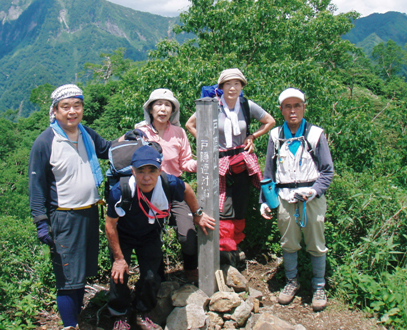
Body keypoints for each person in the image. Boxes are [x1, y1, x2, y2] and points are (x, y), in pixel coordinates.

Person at [29, 84, 113, 330]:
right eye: (65, 107)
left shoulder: (85, 133)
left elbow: (107, 149)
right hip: (64, 217)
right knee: (67, 278)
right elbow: (36, 185)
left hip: (88, 213)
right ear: (54, 111)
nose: (72, 111)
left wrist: (132, 141)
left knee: (81, 273)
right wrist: (40, 222)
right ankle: (69, 324)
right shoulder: (45, 142)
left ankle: (75, 320)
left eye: (77, 105)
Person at [105, 146, 215, 330]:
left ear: (160, 170)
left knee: (151, 277)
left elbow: (186, 189)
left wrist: (197, 214)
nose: (146, 177)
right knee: (119, 276)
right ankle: (120, 315)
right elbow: (110, 225)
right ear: (133, 171)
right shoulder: (120, 191)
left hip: (149, 234)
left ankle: (142, 311)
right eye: (140, 171)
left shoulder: (168, 183)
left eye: (152, 171)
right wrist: (118, 258)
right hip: (123, 235)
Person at [186, 68, 275, 261]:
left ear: (242, 86)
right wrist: (206, 144)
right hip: (219, 161)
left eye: (236, 84)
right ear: (221, 87)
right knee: (222, 206)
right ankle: (225, 250)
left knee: (240, 204)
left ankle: (235, 245)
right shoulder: (212, 105)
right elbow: (190, 124)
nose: (232, 88)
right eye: (228, 84)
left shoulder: (246, 105)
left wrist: (252, 136)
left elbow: (269, 121)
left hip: (241, 161)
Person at [260, 88, 334, 312]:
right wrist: (264, 200)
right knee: (288, 243)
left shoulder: (316, 135)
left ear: (303, 107)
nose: (293, 111)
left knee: (316, 244)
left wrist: (315, 191)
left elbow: (327, 171)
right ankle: (292, 282)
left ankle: (319, 286)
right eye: (288, 107)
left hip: (311, 198)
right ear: (281, 110)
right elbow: (268, 173)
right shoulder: (275, 135)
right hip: (284, 197)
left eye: (297, 106)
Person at [134, 88, 199, 282]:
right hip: (147, 191)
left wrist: (202, 164)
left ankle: (191, 271)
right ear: (150, 109)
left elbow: (185, 162)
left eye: (167, 105)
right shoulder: (140, 133)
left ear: (173, 110)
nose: (163, 109)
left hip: (175, 190)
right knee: (151, 238)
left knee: (188, 236)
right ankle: (157, 279)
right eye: (158, 104)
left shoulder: (179, 133)